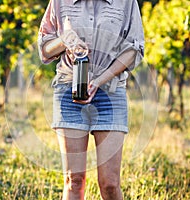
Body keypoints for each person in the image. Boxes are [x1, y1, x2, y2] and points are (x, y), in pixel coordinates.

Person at [38, 0, 144, 199]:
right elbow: (44, 49)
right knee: (74, 180)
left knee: (110, 184)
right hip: (69, 92)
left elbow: (134, 48)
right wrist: (65, 40)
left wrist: (98, 81)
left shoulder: (127, 2)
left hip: (110, 95)